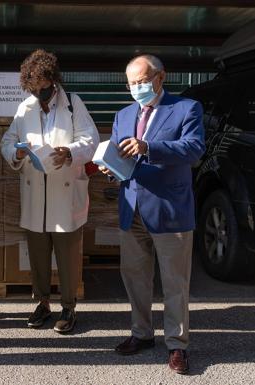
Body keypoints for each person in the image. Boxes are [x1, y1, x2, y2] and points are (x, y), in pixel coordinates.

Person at [99, 54, 205, 374]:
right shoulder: (123, 114)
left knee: (174, 282)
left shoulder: (186, 108)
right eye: (131, 83)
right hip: (132, 209)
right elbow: (120, 154)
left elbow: (195, 148)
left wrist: (148, 148)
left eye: (142, 81)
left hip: (170, 210)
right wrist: (110, 168)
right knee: (135, 278)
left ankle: (177, 345)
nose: (137, 88)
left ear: (160, 77)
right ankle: (141, 334)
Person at [1, 49, 99, 334]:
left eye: (44, 88)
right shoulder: (24, 108)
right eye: (34, 89)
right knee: (38, 254)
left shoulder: (73, 104)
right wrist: (15, 154)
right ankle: (42, 302)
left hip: (65, 193)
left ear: (53, 81)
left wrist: (69, 152)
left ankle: (68, 306)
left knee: (68, 255)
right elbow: (8, 140)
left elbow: (90, 139)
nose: (40, 94)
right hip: (35, 194)